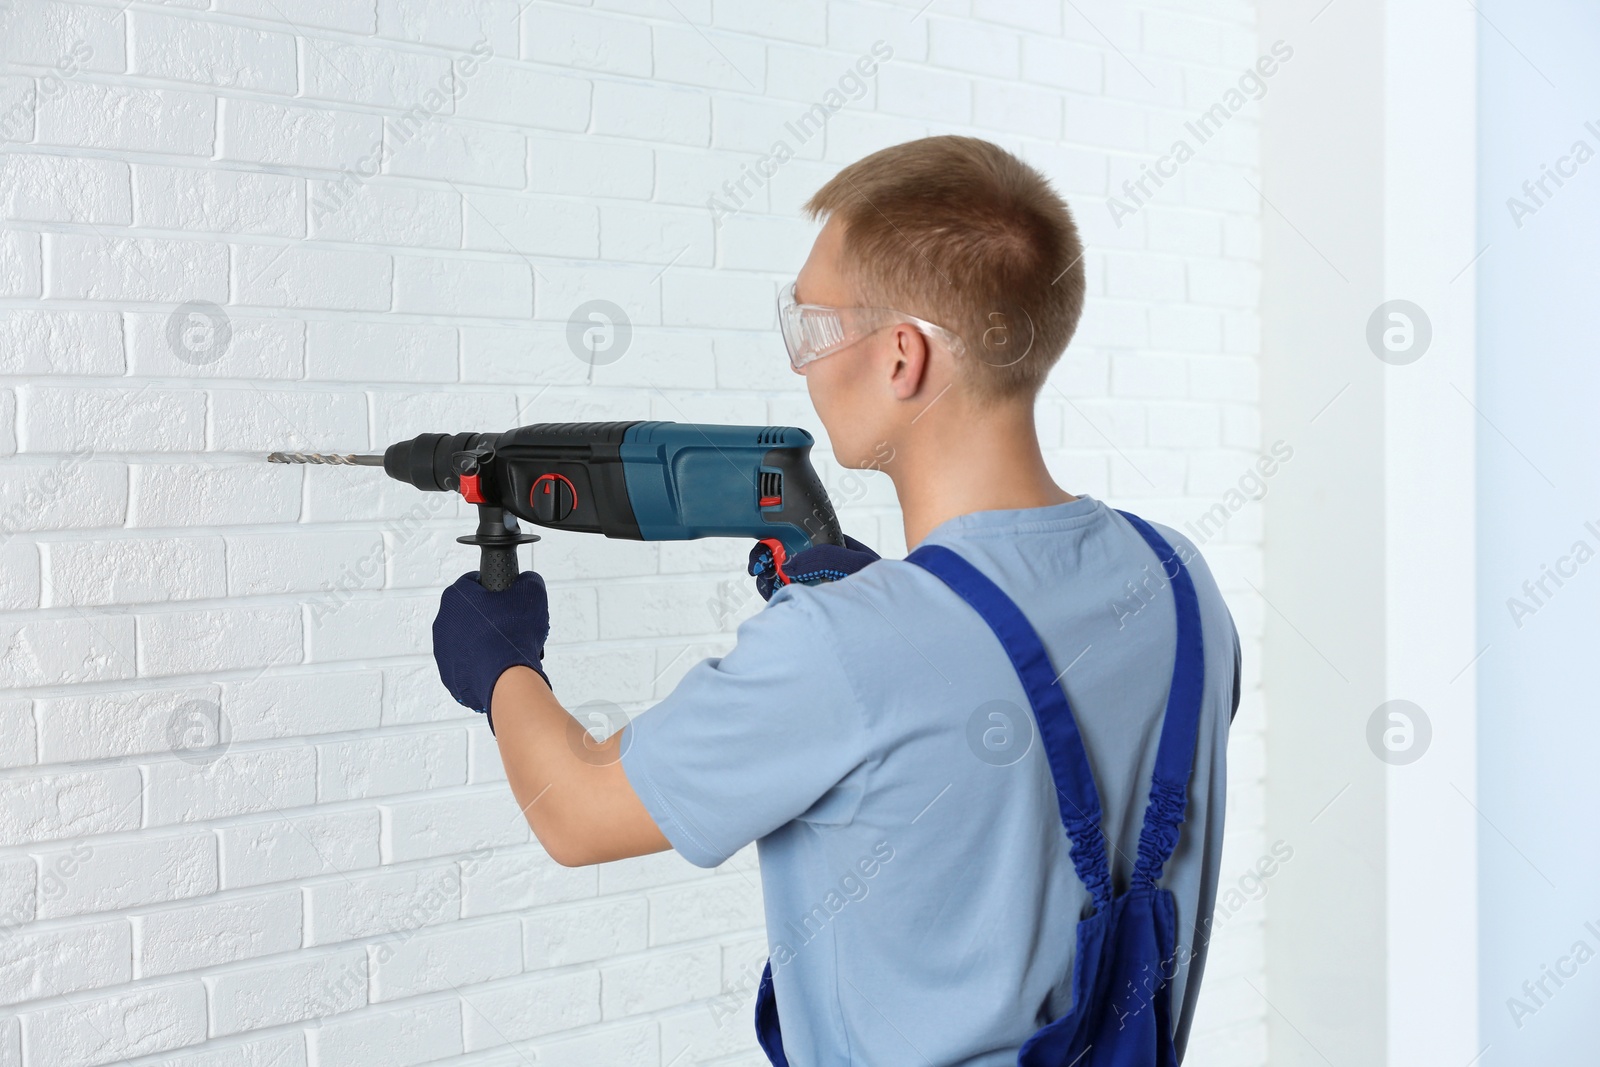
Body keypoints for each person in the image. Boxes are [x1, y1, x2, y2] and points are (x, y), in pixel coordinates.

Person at [431, 135, 1241, 1066]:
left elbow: (573, 809)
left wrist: (500, 664)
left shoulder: (842, 646)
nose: (803, 366)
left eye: (813, 329)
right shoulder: (1182, 583)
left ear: (902, 358)